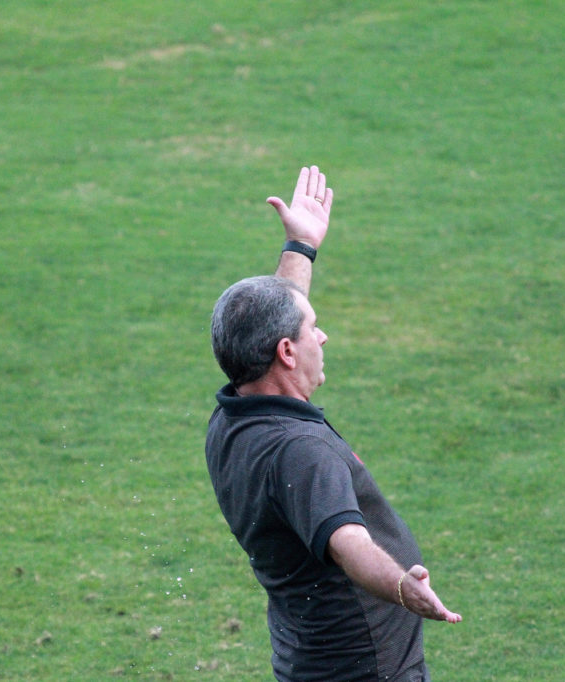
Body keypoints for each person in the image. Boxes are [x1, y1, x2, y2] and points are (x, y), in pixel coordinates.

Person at [206, 166, 461, 682]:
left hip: (310, 660)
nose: (322, 339)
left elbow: (277, 315)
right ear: (284, 352)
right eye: (313, 331)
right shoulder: (301, 453)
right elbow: (351, 544)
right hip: (364, 669)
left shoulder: (232, 416)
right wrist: (400, 587)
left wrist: (300, 246)